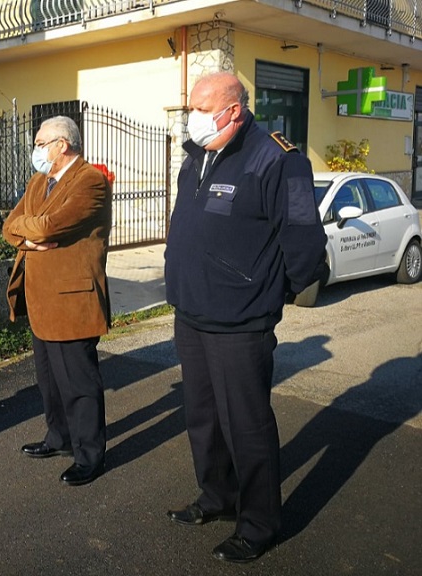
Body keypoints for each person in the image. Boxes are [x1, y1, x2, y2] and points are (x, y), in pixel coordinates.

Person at [164, 71, 326, 563]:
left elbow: (304, 242)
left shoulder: (276, 158)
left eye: (200, 107)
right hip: (192, 313)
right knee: (203, 420)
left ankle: (258, 523)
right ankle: (217, 497)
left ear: (234, 109)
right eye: (190, 106)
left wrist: (270, 295)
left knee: (246, 427)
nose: (191, 116)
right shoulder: (196, 157)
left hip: (240, 322)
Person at [3, 115, 112, 486]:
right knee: (49, 381)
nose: (35, 151)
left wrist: (28, 229)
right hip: (40, 299)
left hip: (72, 299)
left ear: (61, 145)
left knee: (79, 383)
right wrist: (27, 238)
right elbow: (9, 225)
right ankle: (59, 437)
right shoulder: (39, 182)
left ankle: (90, 455)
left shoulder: (91, 182)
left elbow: (51, 225)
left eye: (39, 143)